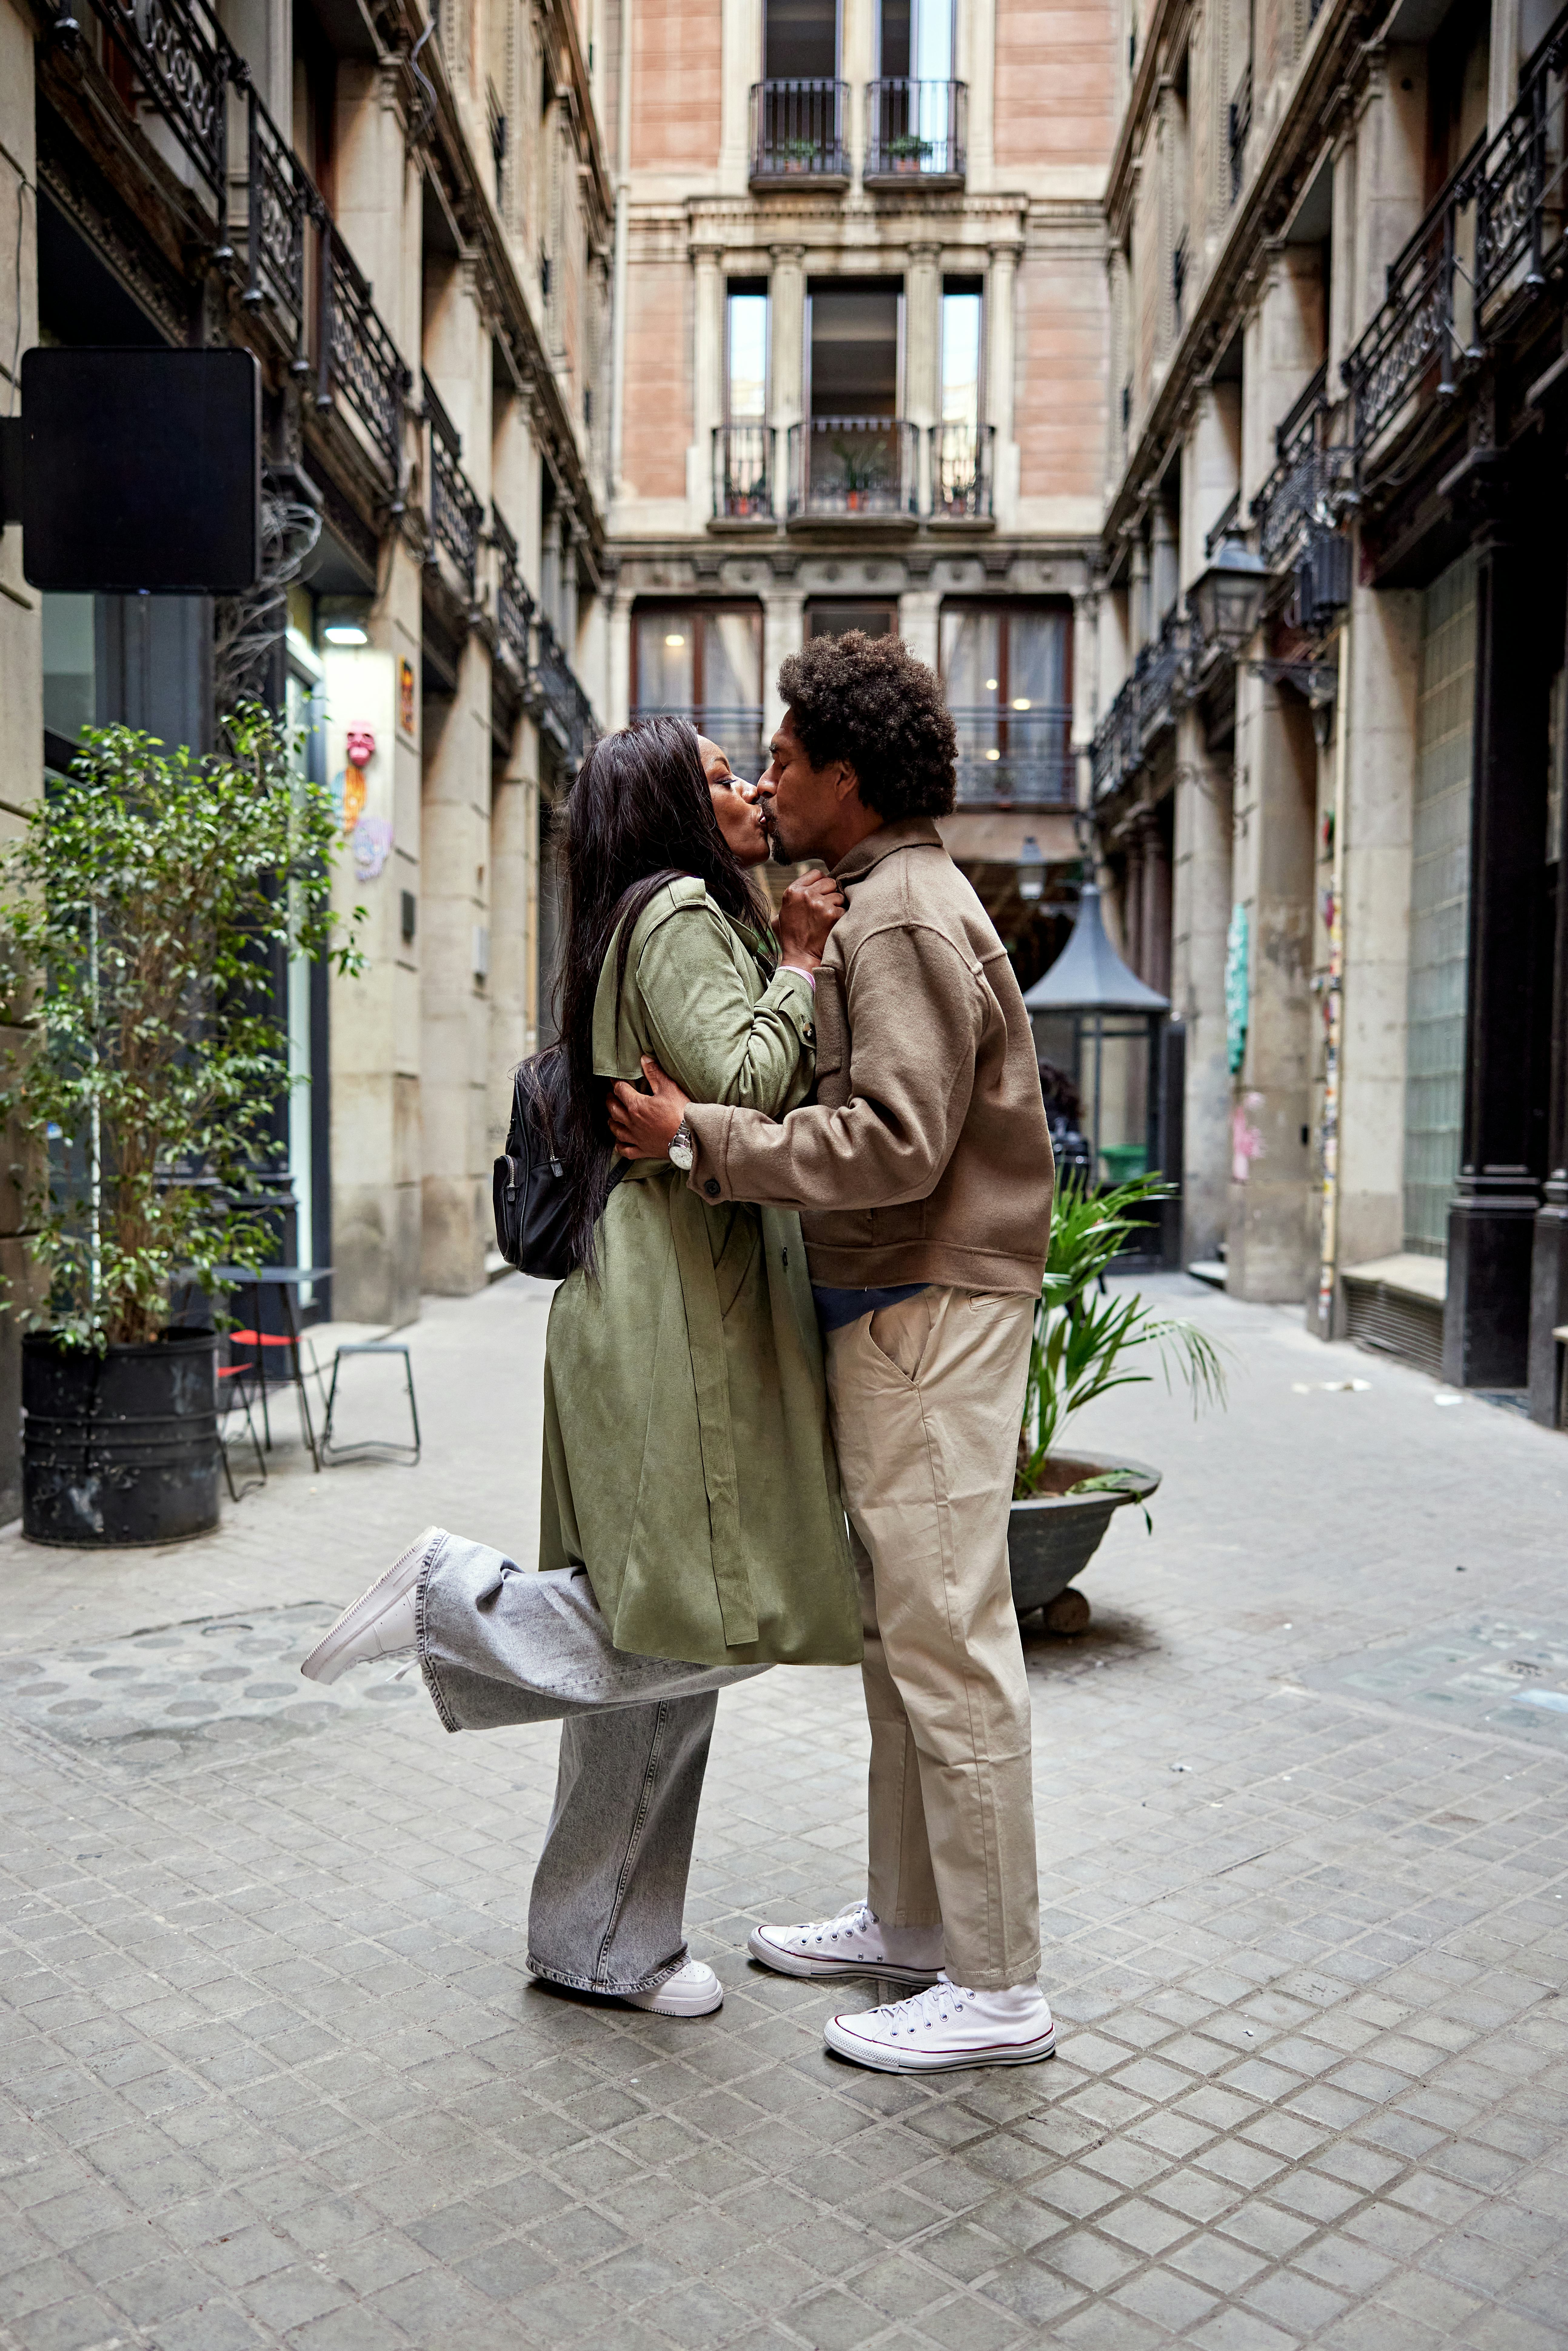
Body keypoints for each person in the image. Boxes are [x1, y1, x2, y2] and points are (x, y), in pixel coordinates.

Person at [301, 716, 859, 2019]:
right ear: (673, 809)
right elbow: (744, 1082)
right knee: (700, 1616)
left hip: (661, 1293)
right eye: (718, 776)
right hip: (675, 1310)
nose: (748, 786)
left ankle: (599, 1940)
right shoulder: (679, 915)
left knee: (666, 1612)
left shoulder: (647, 916)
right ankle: (453, 1599)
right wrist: (796, 962)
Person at [608, 633, 1058, 2074]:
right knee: (899, 1636)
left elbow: (898, 1142)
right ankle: (913, 1924)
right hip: (895, 1305)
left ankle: (996, 1987)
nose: (768, 781)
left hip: (929, 1306)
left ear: (849, 779)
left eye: (787, 760)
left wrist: (704, 1139)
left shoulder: (906, 914)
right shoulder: (876, 898)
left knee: (947, 1642)